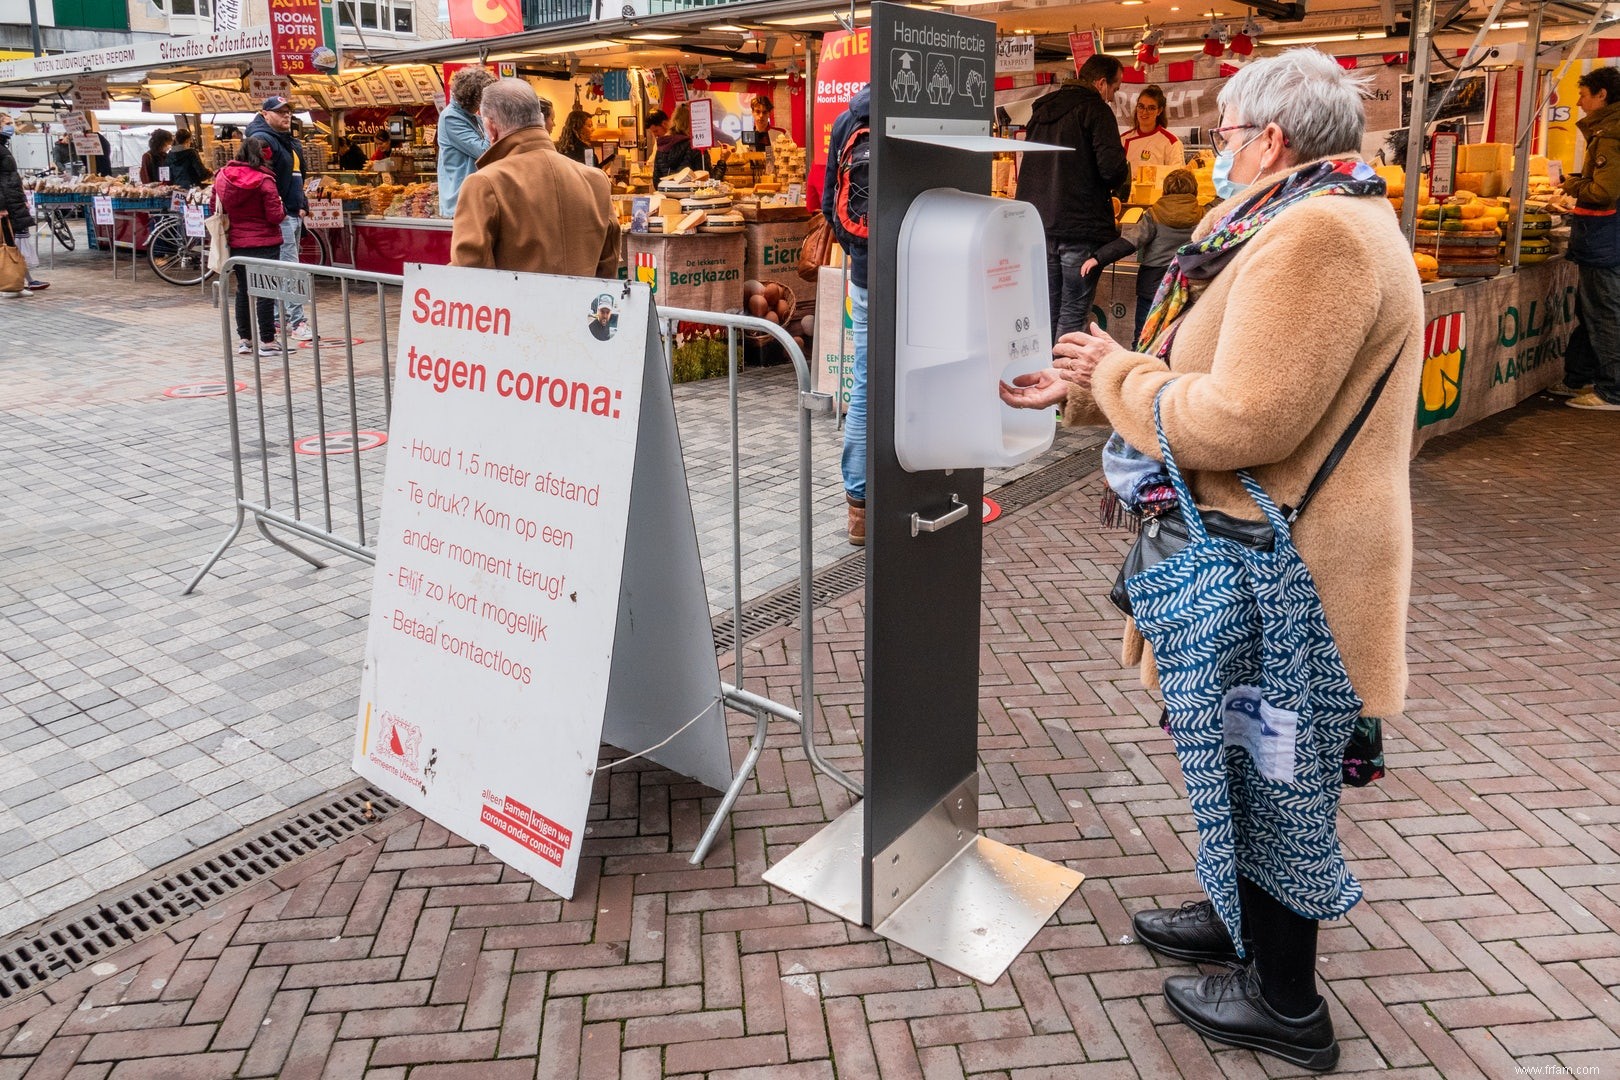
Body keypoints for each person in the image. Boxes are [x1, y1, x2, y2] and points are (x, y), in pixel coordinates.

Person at [1000, 49, 1425, 1072]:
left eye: (1225, 135)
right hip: (1278, 557)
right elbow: (1224, 375)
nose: (1216, 154)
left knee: (1274, 767)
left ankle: (1283, 1001)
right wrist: (1094, 383)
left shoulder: (1314, 234)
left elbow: (1243, 418)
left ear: (1270, 140)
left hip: (1288, 572)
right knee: (1244, 752)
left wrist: (1116, 372)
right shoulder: (1319, 215)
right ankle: (1238, 916)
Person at [450, 78, 619, 278]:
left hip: (515, 307)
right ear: (539, 117)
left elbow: (468, 273)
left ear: (491, 126)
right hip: (581, 307)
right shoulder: (596, 180)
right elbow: (608, 266)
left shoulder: (484, 183)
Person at [1018, 54, 1130, 339]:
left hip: (1039, 225)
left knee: (1046, 311)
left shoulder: (1040, 111)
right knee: (1072, 316)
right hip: (1080, 227)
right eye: (1114, 89)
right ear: (1101, 83)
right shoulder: (1096, 111)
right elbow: (1111, 170)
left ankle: (1042, 375)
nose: (1112, 98)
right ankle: (1063, 381)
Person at [1555, 64, 1620, 411]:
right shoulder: (1607, 130)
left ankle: (1612, 390)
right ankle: (1578, 377)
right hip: (1604, 237)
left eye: (1582, 95)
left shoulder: (1610, 134)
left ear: (1602, 95)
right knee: (1590, 308)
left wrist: (1570, 184)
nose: (1579, 102)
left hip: (1603, 236)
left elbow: (1603, 190)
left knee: (1604, 310)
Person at [822, 86, 870, 546]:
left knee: (866, 382)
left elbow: (827, 204)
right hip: (919, 273)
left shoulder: (846, 118)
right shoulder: (922, 114)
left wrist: (857, 247)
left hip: (867, 274)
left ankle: (858, 507)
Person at [212, 136, 288, 357]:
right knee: (265, 291)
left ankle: (245, 340)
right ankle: (267, 341)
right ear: (263, 155)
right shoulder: (265, 180)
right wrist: (283, 209)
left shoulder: (222, 177)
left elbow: (213, 208)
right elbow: (275, 216)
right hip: (265, 243)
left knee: (243, 291)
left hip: (236, 243)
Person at [245, 96, 311, 340]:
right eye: (280, 112)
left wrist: (302, 203)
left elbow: (296, 176)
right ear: (264, 114)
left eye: (289, 112)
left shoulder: (287, 140)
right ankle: (297, 322)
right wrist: (281, 207)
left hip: (292, 213)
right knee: (290, 269)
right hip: (280, 216)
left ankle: (277, 319)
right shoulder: (262, 140)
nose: (286, 116)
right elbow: (263, 179)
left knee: (283, 267)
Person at [1129, 167, 1202, 341]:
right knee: (1176, 340)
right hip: (1186, 284)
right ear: (1195, 190)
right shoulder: (1204, 215)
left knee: (1142, 337)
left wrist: (1098, 257)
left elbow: (1129, 242)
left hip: (1151, 284)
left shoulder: (1153, 214)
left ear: (1165, 190)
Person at [438, 65, 496, 218]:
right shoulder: (451, 117)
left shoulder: (472, 117)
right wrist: (490, 116)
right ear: (476, 99)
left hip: (474, 198)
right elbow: (485, 151)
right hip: (462, 202)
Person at [0, 115, 46, 294]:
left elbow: (10, 177)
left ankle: (21, 280)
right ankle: (13, 282)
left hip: (13, 200)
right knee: (9, 243)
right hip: (7, 204)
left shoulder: (3, 146)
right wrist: (1, 206)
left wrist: (22, 198)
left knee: (14, 242)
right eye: (7, 124)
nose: (11, 127)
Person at [1121, 85, 1183, 178]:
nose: (1144, 112)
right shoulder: (1123, 139)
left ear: (1159, 111)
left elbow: (1178, 178)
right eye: (1141, 106)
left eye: (1151, 108)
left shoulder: (1172, 142)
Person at [653, 104, 704, 185]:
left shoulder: (662, 146)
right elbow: (708, 181)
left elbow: (657, 183)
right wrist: (722, 162)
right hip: (692, 196)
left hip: (668, 196)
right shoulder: (696, 147)